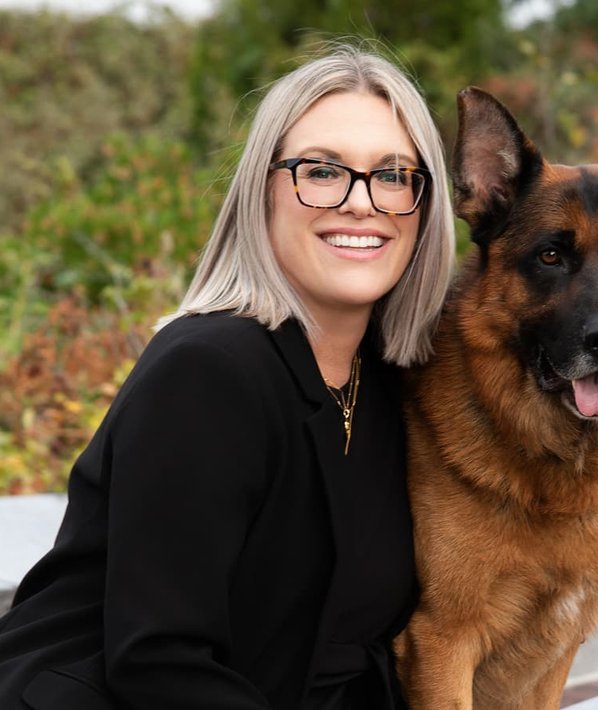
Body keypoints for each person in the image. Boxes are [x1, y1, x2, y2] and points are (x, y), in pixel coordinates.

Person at [0, 43, 455, 709]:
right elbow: (160, 662)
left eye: (391, 175)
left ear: (424, 204)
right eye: (321, 170)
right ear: (262, 191)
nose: (362, 203)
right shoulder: (208, 372)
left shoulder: (387, 381)